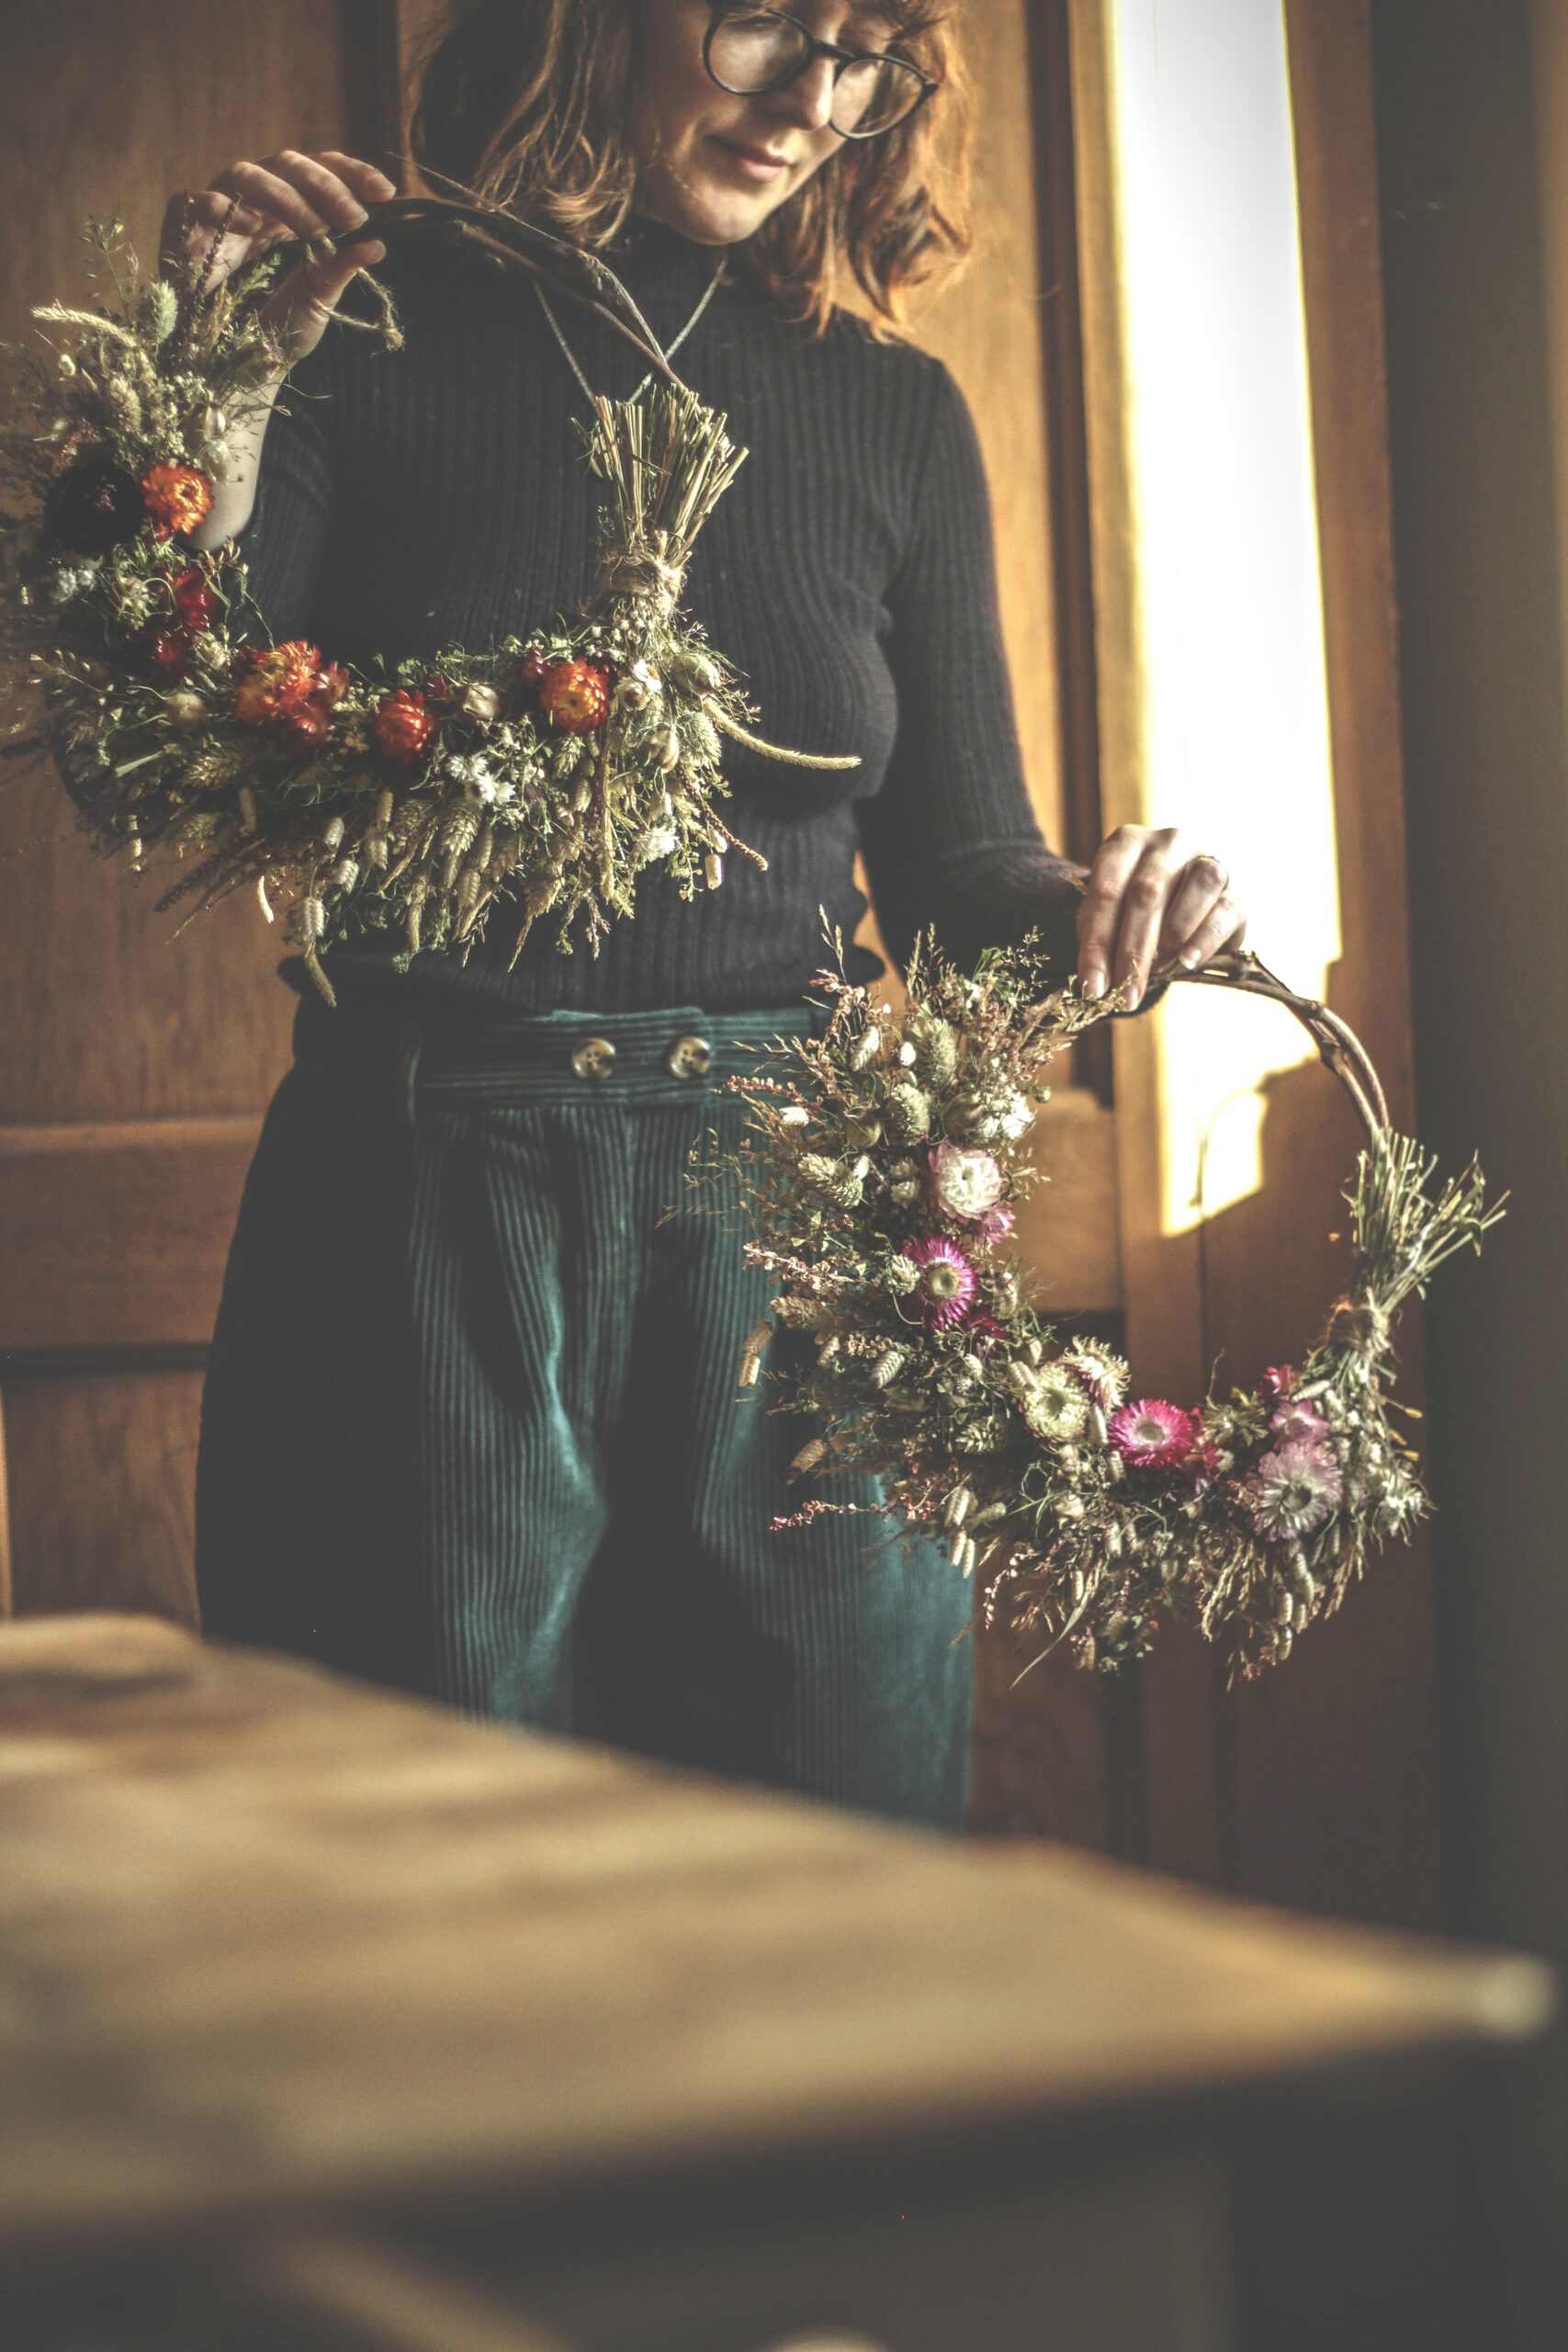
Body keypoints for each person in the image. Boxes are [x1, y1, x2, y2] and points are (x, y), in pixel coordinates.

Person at [175, 0, 1247, 1831]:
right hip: (422, 1210)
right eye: (763, 21)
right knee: (425, 1883)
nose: (815, 101)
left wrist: (1118, 912)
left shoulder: (891, 409)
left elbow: (959, 878)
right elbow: (182, 728)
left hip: (802, 1241)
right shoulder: (352, 326)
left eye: (869, 50)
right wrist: (221, 385)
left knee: (842, 1883)